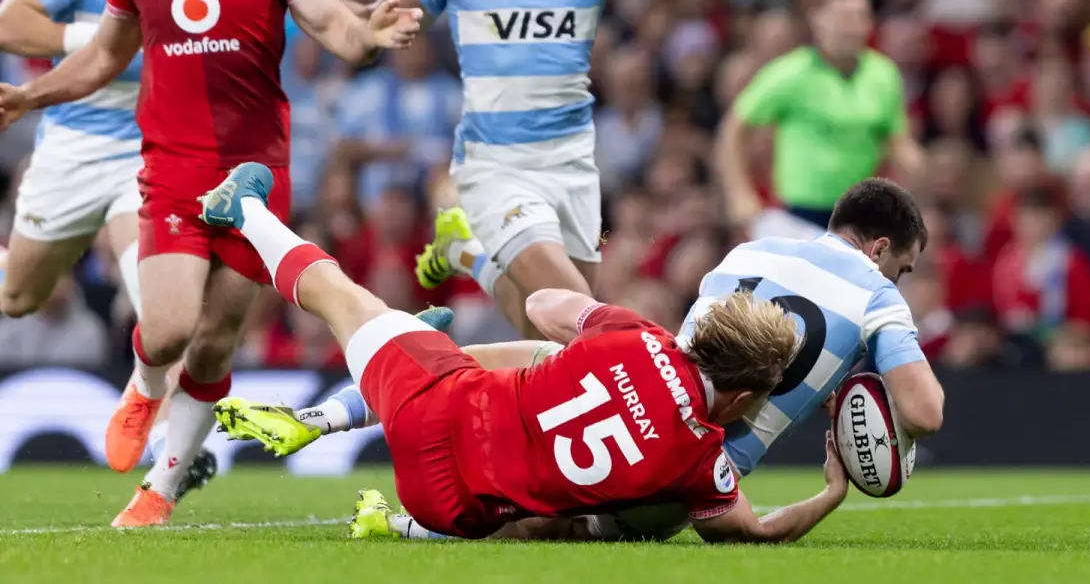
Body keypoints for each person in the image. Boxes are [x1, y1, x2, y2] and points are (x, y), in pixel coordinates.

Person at [0, 0, 420, 528]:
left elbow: (333, 24)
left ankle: (157, 494)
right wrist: (29, 96)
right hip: (174, 170)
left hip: (257, 176)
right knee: (167, 330)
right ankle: (143, 384)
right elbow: (102, 57)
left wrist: (368, 36)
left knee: (216, 340)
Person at [216, 177, 946, 542]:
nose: (901, 279)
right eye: (904, 267)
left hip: (454, 401)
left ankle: (254, 223)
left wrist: (605, 336)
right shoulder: (705, 458)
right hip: (463, 502)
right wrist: (833, 487)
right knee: (557, 517)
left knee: (365, 307)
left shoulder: (744, 254)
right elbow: (923, 411)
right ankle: (400, 525)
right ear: (881, 249)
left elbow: (546, 306)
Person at [361, 0, 740, 338]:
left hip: (572, 165)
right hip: (497, 164)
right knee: (583, 320)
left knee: (545, 332)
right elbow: (372, 20)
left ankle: (465, 252)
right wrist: (327, 12)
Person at [0, 0, 218, 503]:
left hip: (151, 155)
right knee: (17, 297)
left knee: (163, 311)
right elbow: (11, 22)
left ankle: (169, 457)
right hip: (72, 148)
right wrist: (102, 41)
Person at [717, 0, 925, 241]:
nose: (852, 28)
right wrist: (738, 193)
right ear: (818, 20)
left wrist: (915, 167)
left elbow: (895, 139)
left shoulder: (884, 74)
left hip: (861, 217)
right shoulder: (791, 73)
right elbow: (735, 128)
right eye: (843, 18)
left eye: (860, 17)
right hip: (797, 217)